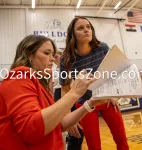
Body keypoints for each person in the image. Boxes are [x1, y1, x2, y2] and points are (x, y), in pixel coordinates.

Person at [0, 35, 106, 150]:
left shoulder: (40, 84)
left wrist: (89, 104)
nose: (52, 58)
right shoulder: (19, 75)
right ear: (29, 55)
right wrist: (74, 92)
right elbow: (30, 129)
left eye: (52, 54)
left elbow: (58, 125)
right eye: (46, 53)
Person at [60, 17, 129, 150]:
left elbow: (113, 72)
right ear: (72, 35)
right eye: (80, 28)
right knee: (94, 145)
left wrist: (114, 95)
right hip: (85, 104)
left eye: (88, 27)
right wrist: (68, 115)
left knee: (121, 139)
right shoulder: (66, 59)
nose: (86, 30)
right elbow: (65, 88)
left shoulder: (102, 48)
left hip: (107, 100)